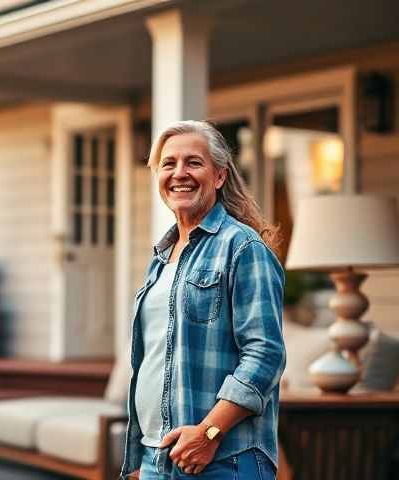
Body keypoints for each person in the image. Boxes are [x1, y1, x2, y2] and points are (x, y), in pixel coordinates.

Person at [119, 120, 286, 479]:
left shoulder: (242, 248)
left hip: (224, 459)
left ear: (220, 176)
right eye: (169, 164)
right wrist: (144, 457)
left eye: (193, 162)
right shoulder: (161, 258)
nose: (180, 173)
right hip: (159, 458)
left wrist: (209, 433)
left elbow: (266, 354)